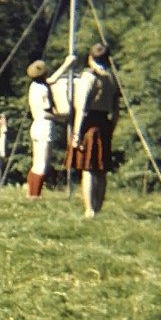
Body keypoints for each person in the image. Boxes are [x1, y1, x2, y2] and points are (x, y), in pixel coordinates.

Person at [67, 42, 121, 218]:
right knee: (101, 169)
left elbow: (82, 108)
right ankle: (98, 208)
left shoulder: (89, 77)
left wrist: (76, 134)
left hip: (89, 124)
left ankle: (90, 209)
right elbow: (116, 109)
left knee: (89, 168)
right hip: (105, 123)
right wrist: (111, 128)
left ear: (91, 58)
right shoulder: (112, 77)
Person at [26, 53, 75, 197]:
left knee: (37, 163)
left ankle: (31, 193)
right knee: (42, 165)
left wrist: (67, 64)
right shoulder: (42, 90)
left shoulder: (35, 86)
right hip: (44, 126)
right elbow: (46, 112)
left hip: (37, 126)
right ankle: (34, 195)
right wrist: (62, 116)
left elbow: (53, 79)